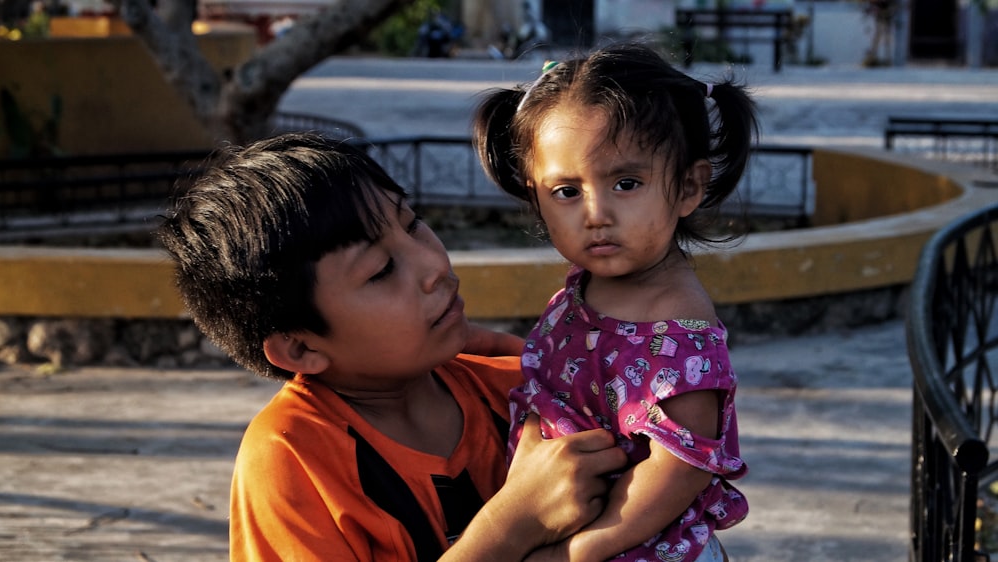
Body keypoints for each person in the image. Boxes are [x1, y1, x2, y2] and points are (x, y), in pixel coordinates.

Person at [157, 132, 627, 561]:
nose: (434, 266)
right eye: (380, 270)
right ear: (300, 349)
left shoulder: (512, 392)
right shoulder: (292, 458)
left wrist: (556, 377)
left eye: (414, 224)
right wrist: (512, 525)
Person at [472, 43, 757, 561]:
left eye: (626, 183)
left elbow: (678, 469)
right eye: (566, 191)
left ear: (689, 186)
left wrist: (577, 552)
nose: (596, 213)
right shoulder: (591, 284)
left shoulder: (677, 328)